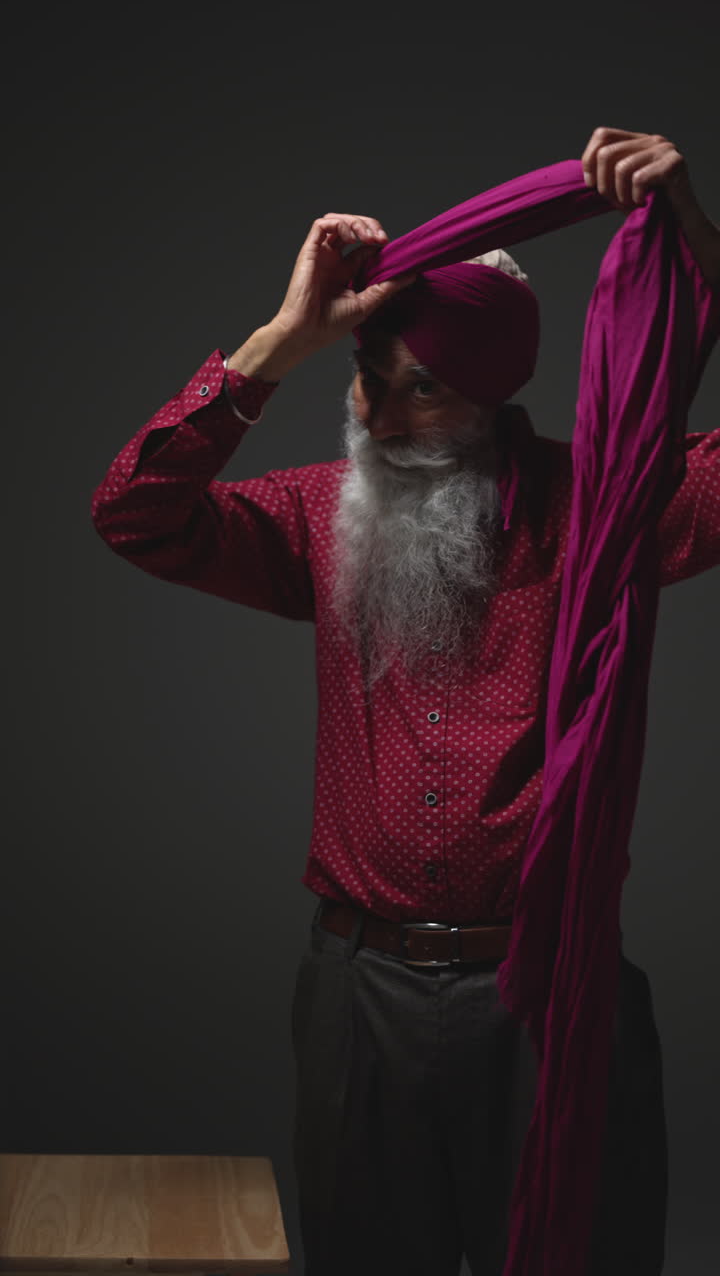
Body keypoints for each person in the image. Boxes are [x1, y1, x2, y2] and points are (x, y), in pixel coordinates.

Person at [91, 130, 720, 1276]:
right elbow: (133, 512)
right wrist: (282, 340)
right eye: (364, 381)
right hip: (359, 998)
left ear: (490, 395)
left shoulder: (607, 511)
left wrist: (693, 238)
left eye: (419, 392)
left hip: (552, 993)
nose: (375, 421)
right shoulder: (318, 517)